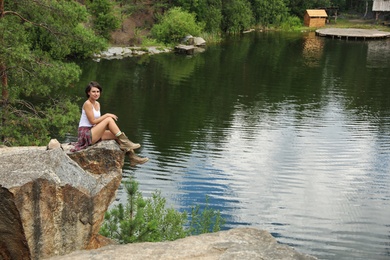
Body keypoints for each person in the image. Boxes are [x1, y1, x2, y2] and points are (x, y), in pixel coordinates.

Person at [71, 81, 148, 165]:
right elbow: (92, 121)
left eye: (98, 91)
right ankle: (126, 143)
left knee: (117, 135)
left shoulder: (97, 103)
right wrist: (107, 115)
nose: (96, 94)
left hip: (93, 131)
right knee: (109, 119)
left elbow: (96, 123)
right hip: (85, 134)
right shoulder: (87, 104)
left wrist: (104, 128)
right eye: (93, 92)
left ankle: (133, 157)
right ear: (88, 93)